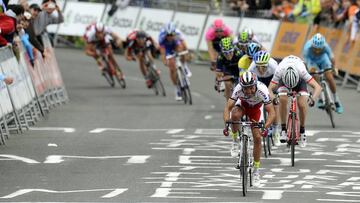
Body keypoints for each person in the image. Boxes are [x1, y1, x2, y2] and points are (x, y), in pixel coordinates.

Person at [223, 71, 276, 187]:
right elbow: (227, 107)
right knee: (235, 115)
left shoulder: (263, 90)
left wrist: (265, 127)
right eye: (245, 88)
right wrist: (227, 122)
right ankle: (235, 141)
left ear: (255, 85)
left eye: (251, 88)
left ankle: (256, 171)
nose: (248, 91)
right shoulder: (238, 89)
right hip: (243, 105)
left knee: (257, 138)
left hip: (256, 110)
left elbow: (271, 112)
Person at [267, 55, 322, 148]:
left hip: (300, 82)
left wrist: (313, 98)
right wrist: (274, 99)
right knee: (283, 99)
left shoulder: (302, 72)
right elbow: (269, 89)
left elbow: (318, 87)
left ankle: (302, 131)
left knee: (302, 104)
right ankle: (283, 129)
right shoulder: (279, 71)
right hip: (284, 82)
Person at [303, 33, 343, 113]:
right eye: (315, 49)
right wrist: (308, 72)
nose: (317, 51)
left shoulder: (326, 46)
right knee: (314, 75)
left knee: (329, 77)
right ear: (312, 46)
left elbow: (332, 58)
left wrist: (334, 68)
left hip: (323, 59)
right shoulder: (307, 48)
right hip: (312, 61)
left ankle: (336, 101)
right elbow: (306, 63)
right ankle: (321, 98)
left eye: (319, 49)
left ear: (323, 47)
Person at [249, 50, 281, 145]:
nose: (261, 69)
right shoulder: (252, 67)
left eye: (263, 66)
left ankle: (275, 130)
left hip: (271, 79)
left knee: (275, 103)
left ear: (267, 63)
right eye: (259, 66)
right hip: (258, 80)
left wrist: (277, 94)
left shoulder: (274, 66)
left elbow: (280, 82)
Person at [158, 22, 191, 101]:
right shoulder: (161, 37)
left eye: (171, 35)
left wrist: (187, 54)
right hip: (167, 48)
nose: (169, 36)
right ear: (165, 34)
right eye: (168, 35)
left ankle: (184, 66)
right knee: (172, 68)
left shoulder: (178, 34)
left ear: (174, 33)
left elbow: (184, 46)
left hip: (176, 44)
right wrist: (165, 60)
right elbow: (162, 52)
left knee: (181, 50)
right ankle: (177, 88)